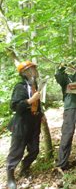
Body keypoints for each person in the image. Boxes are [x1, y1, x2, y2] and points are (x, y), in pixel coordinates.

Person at [6, 61, 44, 189]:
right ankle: (10, 177)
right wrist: (30, 100)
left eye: (34, 68)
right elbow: (15, 106)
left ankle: (24, 168)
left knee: (34, 150)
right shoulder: (20, 87)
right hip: (22, 123)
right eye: (32, 69)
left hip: (34, 122)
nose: (35, 71)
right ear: (25, 72)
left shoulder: (34, 85)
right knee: (16, 151)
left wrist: (41, 113)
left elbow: (38, 103)